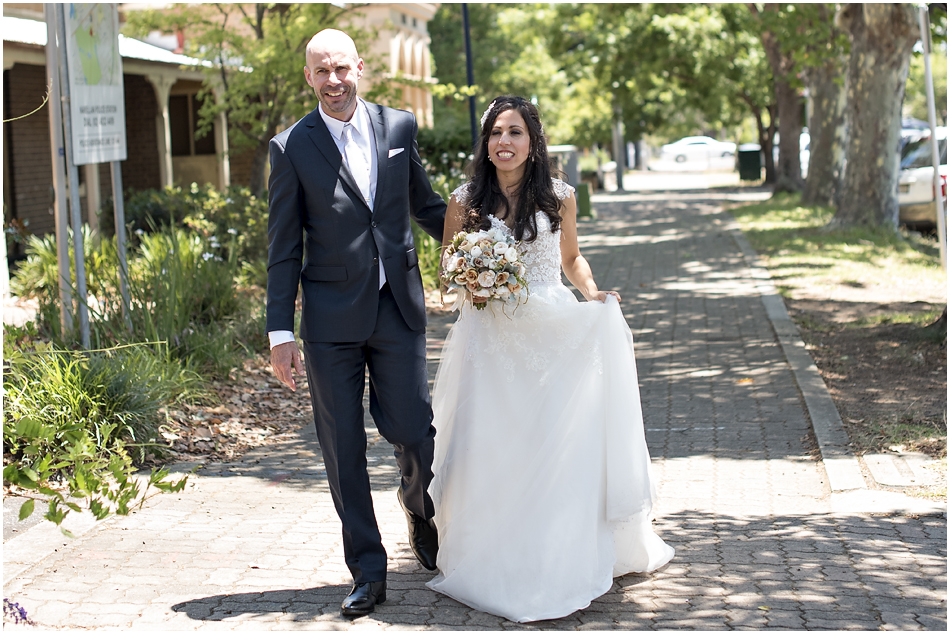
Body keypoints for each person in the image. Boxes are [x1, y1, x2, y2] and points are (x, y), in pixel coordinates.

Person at [426, 96, 674, 623]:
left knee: (552, 445)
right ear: (485, 142)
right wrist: (473, 274)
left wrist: (594, 295)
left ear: (533, 140)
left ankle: (557, 552)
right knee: (492, 447)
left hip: (549, 336)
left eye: (515, 132)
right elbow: (446, 269)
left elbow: (570, 259)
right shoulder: (464, 199)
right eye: (495, 133)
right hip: (489, 342)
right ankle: (491, 554)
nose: (504, 142)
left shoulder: (559, 196)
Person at [265, 29, 446, 618]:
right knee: (342, 449)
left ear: (359, 68)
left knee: (414, 429)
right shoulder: (291, 146)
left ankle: (418, 506)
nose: (334, 80)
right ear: (309, 78)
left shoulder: (398, 127)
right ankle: (368, 572)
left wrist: (495, 237)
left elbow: (426, 204)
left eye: (341, 68)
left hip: (398, 308)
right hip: (329, 322)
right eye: (322, 71)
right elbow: (282, 246)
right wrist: (280, 332)